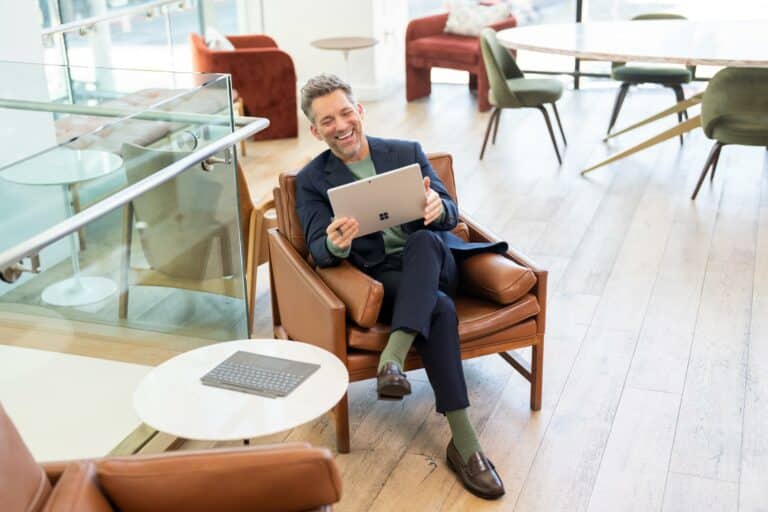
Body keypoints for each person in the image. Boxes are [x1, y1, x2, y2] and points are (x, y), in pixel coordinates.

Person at [295, 74, 507, 500]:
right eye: (327, 121)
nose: (340, 125)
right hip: (384, 280)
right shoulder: (312, 180)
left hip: (434, 262)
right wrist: (336, 242)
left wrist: (436, 207)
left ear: (360, 111)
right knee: (441, 309)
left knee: (426, 240)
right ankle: (465, 445)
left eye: (345, 112)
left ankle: (392, 356)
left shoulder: (406, 153)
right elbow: (318, 248)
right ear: (316, 131)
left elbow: (451, 212)